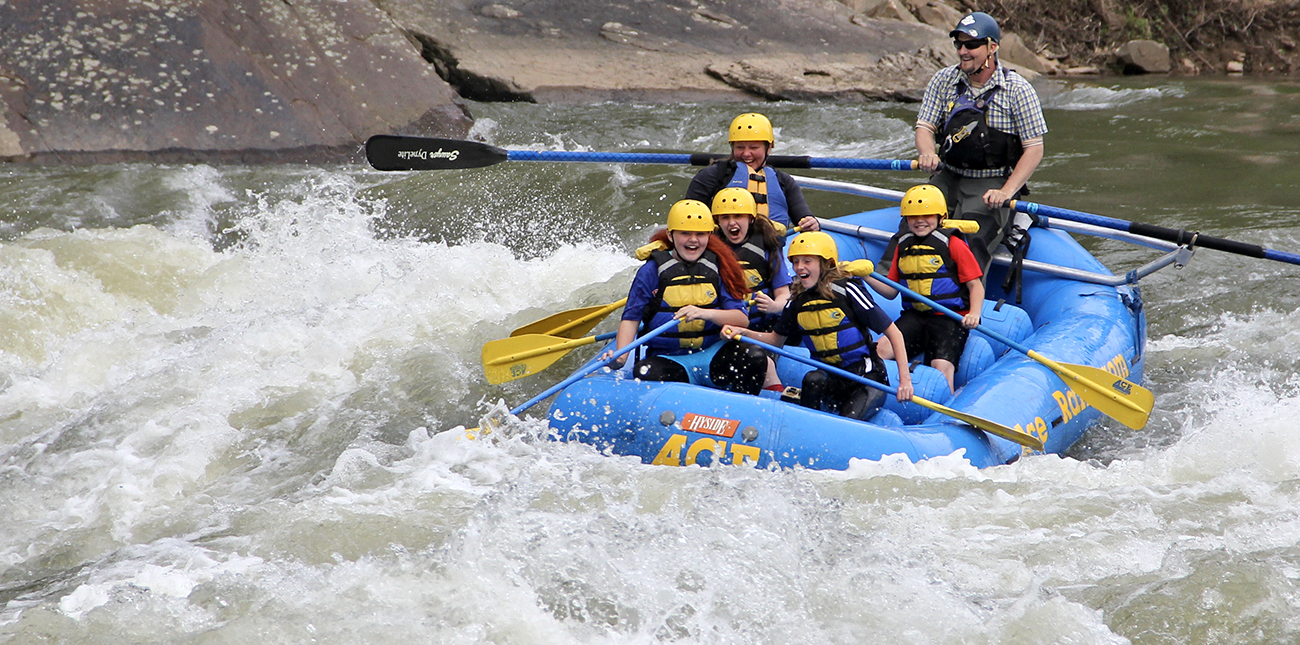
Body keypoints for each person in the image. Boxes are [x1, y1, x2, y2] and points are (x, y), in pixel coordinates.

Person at [909, 11, 1048, 280]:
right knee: (911, 229)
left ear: (992, 47)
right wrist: (926, 152)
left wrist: (1006, 192)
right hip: (947, 176)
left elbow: (1034, 149)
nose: (963, 51)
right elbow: (925, 127)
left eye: (971, 45)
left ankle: (965, 312)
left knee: (967, 245)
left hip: (991, 184)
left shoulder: (1018, 90)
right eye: (959, 45)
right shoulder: (943, 80)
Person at [724, 232, 913, 420]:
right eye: (796, 262)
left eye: (807, 261)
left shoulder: (847, 290)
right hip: (832, 378)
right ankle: (808, 426)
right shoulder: (797, 300)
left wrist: (905, 381)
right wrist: (743, 332)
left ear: (826, 263)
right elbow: (774, 340)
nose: (799, 267)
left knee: (849, 418)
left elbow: (894, 333)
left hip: (866, 378)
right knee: (812, 379)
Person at [605, 199, 767, 395]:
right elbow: (631, 319)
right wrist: (620, 357)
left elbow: (741, 318)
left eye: (700, 234)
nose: (693, 240)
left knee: (755, 356)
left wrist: (703, 313)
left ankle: (740, 412)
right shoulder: (650, 272)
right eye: (685, 233)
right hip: (669, 359)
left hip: (712, 355)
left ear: (709, 235)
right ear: (670, 236)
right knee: (644, 371)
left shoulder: (720, 266)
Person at [868, 185, 985, 393]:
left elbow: (975, 285)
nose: (919, 220)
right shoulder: (903, 246)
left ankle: (944, 405)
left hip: (950, 317)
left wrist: (974, 313)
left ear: (941, 217)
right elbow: (891, 291)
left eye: (927, 215)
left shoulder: (953, 244)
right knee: (880, 350)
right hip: (915, 315)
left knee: (941, 367)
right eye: (913, 217)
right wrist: (866, 275)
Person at [711, 187, 791, 391]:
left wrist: (773, 306)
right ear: (717, 222)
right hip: (724, 329)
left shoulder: (767, 247)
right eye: (725, 217)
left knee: (765, 363)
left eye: (738, 216)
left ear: (750, 219)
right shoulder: (708, 249)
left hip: (762, 329)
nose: (732, 223)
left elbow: (784, 296)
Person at [686, 112, 820, 232]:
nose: (746, 154)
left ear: (769, 148)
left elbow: (803, 217)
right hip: (722, 254)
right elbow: (688, 218)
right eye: (740, 147)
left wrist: (811, 223)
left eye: (754, 147)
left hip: (769, 254)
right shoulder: (712, 175)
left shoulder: (784, 181)